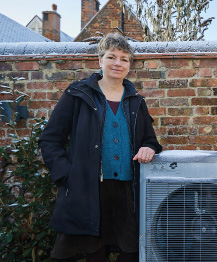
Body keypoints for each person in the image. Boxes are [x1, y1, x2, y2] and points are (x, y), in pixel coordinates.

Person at [39, 32, 163, 262]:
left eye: (124, 58)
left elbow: (150, 139)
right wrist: (66, 175)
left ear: (129, 66)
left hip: (129, 193)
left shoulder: (136, 101)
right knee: (94, 254)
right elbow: (50, 140)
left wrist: (149, 148)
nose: (118, 63)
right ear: (100, 61)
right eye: (111, 57)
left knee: (131, 253)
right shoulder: (78, 95)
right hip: (89, 191)